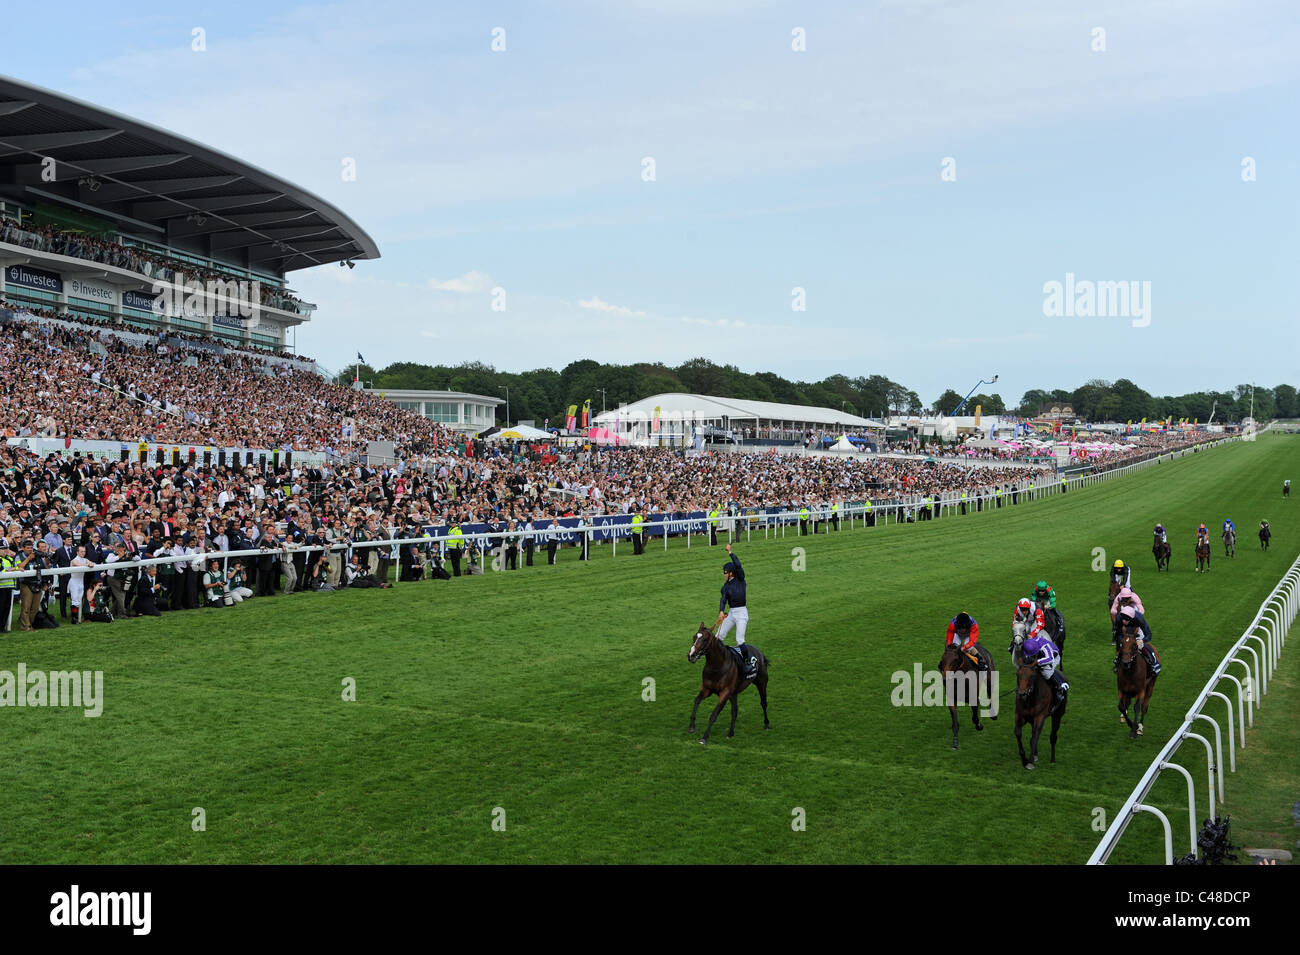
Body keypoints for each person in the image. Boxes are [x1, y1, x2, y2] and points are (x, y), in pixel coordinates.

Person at [711, 543, 756, 679]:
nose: (723, 574)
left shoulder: (741, 579)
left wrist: (730, 552)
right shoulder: (725, 587)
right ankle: (718, 661)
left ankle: (748, 664)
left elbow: (738, 564)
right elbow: (723, 600)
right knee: (718, 637)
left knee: (739, 640)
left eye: (725, 572)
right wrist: (720, 611)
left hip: (742, 613)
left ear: (731, 573)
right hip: (731, 613)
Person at [1022, 629, 1069, 709]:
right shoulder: (1029, 643)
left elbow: (1049, 659)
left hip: (1053, 656)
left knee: (1046, 673)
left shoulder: (1045, 647)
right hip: (1041, 653)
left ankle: (1060, 686)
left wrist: (1037, 662)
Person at [1115, 604, 1160, 675]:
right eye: (1123, 619)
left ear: (1131, 618)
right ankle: (1117, 662)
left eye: (1126, 620)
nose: (1124, 621)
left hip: (1137, 630)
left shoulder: (1139, 618)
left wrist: (1142, 640)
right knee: (1123, 645)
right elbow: (1118, 633)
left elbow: (1149, 634)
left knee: (1141, 646)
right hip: (1125, 632)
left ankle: (1152, 664)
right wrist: (1122, 640)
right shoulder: (1119, 618)